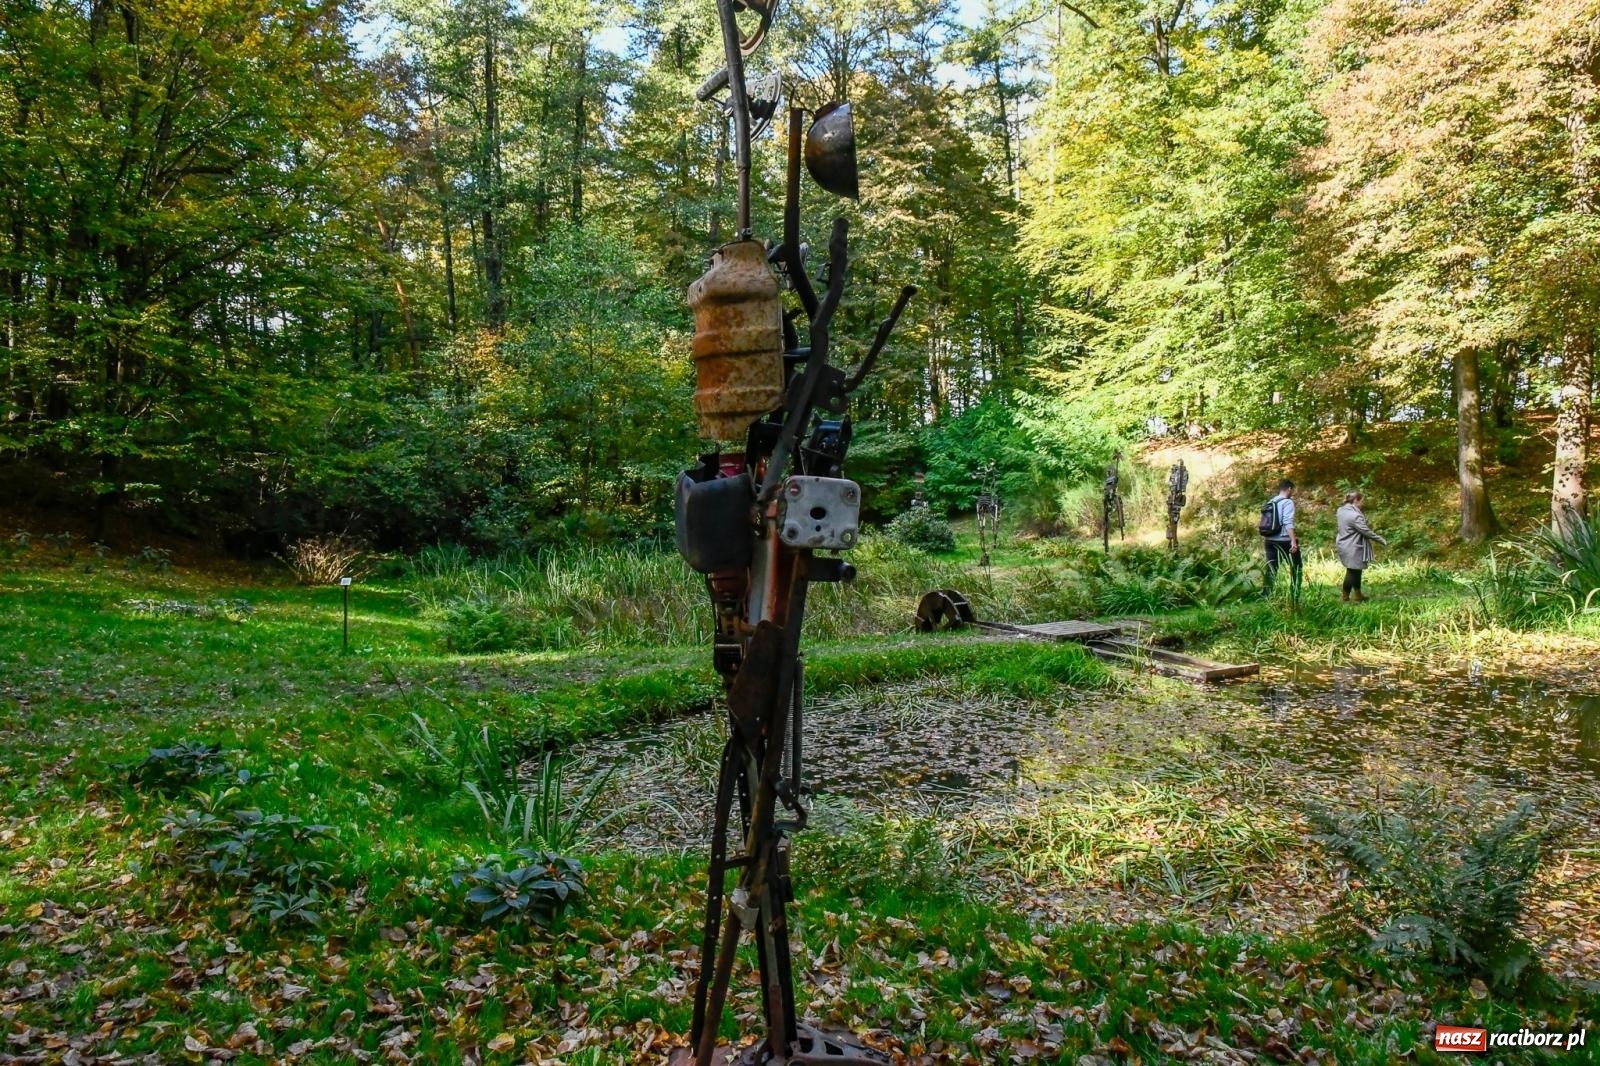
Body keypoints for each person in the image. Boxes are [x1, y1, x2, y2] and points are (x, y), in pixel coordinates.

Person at [1335, 491, 1388, 602]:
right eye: (1361, 501)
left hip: (1344, 543)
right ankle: (1345, 597)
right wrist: (1381, 540)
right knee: (1352, 571)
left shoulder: (1341, 510)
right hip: (1352, 546)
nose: (1362, 503)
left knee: (1356, 570)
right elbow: (1366, 531)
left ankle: (1358, 595)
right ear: (1356, 501)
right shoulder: (1355, 516)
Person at [1262, 478, 1301, 600]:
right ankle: (1295, 592)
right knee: (1296, 566)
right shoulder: (1287, 502)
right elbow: (1288, 522)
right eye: (1292, 490)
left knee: (1272, 567)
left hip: (1269, 539)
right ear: (1289, 489)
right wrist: (1293, 542)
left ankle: (1266, 595)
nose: (1292, 492)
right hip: (1283, 540)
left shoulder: (1271, 501)